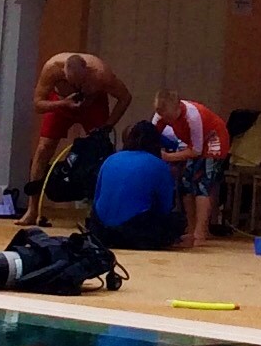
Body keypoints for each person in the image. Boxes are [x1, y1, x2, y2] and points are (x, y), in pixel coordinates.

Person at [17, 53, 132, 226]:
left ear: (88, 71)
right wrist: (63, 104)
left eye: (82, 83)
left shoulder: (101, 74)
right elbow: (38, 104)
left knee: (100, 150)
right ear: (63, 73)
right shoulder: (52, 68)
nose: (78, 87)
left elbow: (125, 97)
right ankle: (32, 209)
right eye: (72, 83)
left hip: (93, 105)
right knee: (43, 148)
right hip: (62, 103)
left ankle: (99, 209)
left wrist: (107, 126)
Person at [87, 121, 185, 250]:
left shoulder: (111, 159)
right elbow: (165, 206)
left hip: (101, 232)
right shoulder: (158, 165)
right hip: (135, 233)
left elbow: (97, 197)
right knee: (178, 220)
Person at [152, 90, 229, 248]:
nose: (165, 120)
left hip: (214, 138)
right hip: (192, 142)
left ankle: (200, 232)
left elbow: (196, 151)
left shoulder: (193, 116)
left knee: (202, 182)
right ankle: (191, 226)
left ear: (178, 107)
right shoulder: (160, 116)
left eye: (168, 117)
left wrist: (167, 157)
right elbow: (150, 137)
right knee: (186, 182)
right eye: (162, 117)